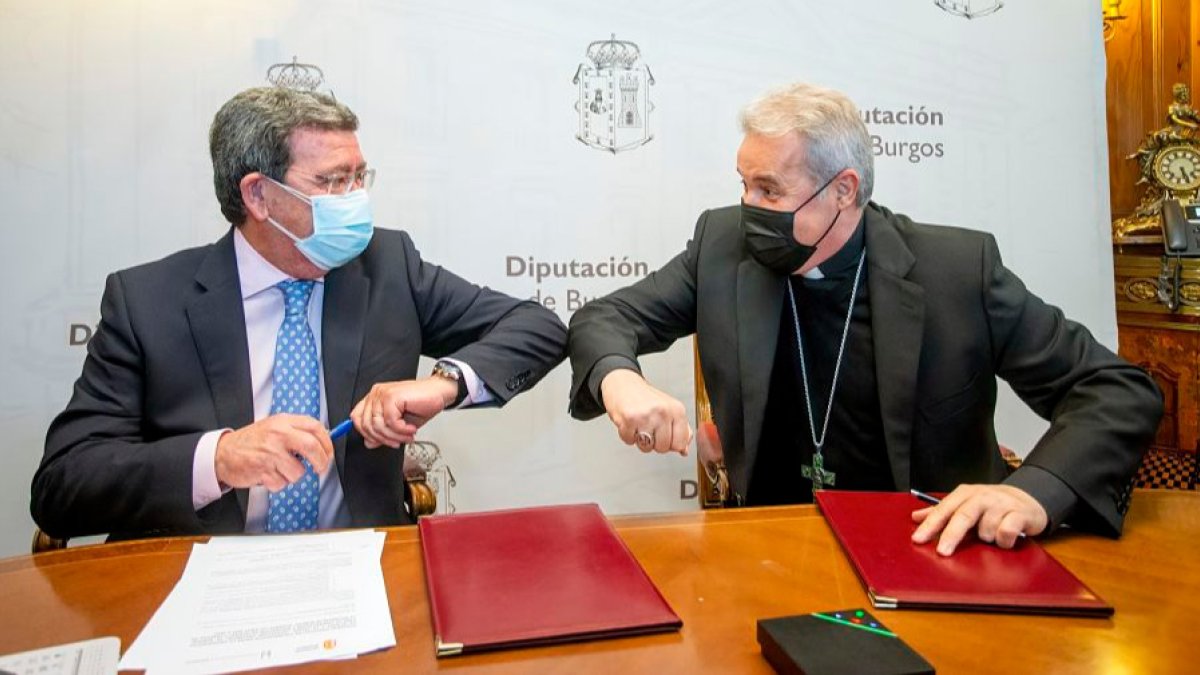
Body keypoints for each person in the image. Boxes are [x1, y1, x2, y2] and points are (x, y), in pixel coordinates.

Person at [568, 82, 1162, 556]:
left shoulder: (956, 270)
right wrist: (620, 378)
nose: (748, 208)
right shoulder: (723, 246)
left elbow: (1115, 390)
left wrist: (1037, 492)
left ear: (843, 190)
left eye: (770, 191)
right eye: (744, 185)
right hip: (772, 548)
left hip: (934, 548)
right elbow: (607, 317)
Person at [33, 86, 567, 540]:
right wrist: (219, 459)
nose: (355, 199)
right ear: (258, 194)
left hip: (361, 568)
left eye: (360, 177)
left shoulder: (386, 266)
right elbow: (63, 484)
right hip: (203, 579)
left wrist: (445, 383)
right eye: (333, 182)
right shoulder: (148, 301)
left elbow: (537, 326)